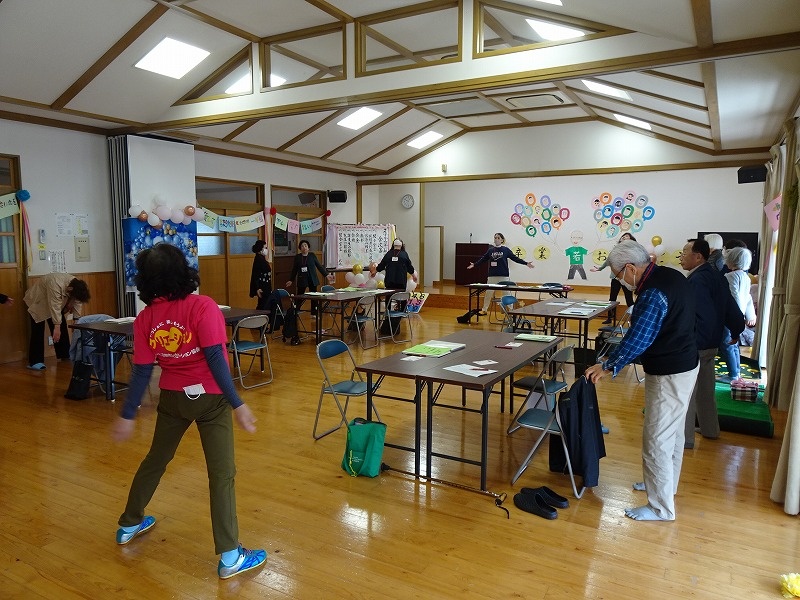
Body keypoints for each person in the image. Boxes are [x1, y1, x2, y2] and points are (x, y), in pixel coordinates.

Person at [111, 243, 266, 580]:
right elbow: (215, 358)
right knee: (221, 474)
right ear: (182, 272)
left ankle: (129, 523)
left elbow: (141, 371)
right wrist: (238, 403)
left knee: (156, 459)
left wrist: (127, 414)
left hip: (172, 399)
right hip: (212, 400)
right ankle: (230, 556)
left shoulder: (145, 319)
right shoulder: (202, 306)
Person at [585, 240, 699, 522]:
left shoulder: (652, 293)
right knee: (672, 434)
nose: (618, 280)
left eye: (617, 275)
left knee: (657, 439)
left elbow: (638, 339)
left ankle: (660, 508)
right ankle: (663, 487)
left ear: (630, 268)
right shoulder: (670, 275)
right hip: (685, 363)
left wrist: (607, 365)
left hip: (669, 372)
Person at [678, 239, 745, 447]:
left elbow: (702, 315)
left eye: (685, 252)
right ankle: (710, 430)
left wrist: (692, 342)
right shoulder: (716, 275)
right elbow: (731, 307)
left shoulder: (697, 280)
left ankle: (685, 439)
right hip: (711, 342)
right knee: (706, 390)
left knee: (688, 392)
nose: (681, 256)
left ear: (698, 256)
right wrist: (737, 329)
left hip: (697, 344)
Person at [23, 273, 90, 370]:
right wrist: (56, 327)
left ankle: (65, 353)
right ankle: (35, 361)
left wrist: (76, 320)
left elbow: (77, 301)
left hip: (53, 302)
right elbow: (55, 306)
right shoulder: (55, 284)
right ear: (70, 289)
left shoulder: (77, 286)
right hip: (38, 301)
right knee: (38, 330)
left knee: (61, 325)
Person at [467, 232, 534, 315]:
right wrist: (474, 264)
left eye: (498, 238)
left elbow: (515, 258)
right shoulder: (490, 250)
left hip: (503, 275)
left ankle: (511, 310)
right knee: (488, 293)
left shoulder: (505, 250)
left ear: (502, 240)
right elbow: (483, 259)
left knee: (507, 293)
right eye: (495, 238)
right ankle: (484, 310)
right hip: (492, 275)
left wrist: (526, 263)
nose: (496, 239)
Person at [721, 247, 757, 381]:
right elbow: (748, 298)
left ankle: (733, 374)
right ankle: (736, 372)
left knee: (727, 344)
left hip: (730, 316)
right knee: (734, 344)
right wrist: (750, 315)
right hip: (739, 315)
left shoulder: (729, 276)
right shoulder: (746, 277)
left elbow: (733, 295)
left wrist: (733, 313)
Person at [591, 232, 637, 323]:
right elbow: (609, 260)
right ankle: (609, 318)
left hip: (626, 278)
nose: (624, 237)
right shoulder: (616, 249)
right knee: (612, 298)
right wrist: (600, 268)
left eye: (627, 236)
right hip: (615, 277)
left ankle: (635, 319)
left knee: (629, 299)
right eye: (623, 236)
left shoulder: (633, 250)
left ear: (631, 240)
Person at [249, 240, 272, 310]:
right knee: (263, 305)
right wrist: (258, 288)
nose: (266, 250)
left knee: (265, 304)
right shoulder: (258, 259)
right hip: (262, 286)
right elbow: (256, 275)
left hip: (266, 285)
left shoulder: (262, 258)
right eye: (265, 248)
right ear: (260, 249)